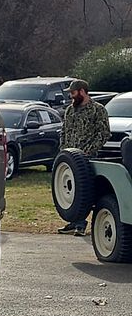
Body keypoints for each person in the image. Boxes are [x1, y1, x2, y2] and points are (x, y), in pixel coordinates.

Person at [57, 79, 110, 236]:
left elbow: (104, 133)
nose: (71, 97)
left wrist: (88, 151)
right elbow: (64, 131)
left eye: (73, 93)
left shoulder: (97, 110)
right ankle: (74, 221)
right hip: (70, 159)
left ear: (82, 91)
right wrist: (63, 151)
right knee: (71, 192)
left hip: (87, 159)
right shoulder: (70, 110)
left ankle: (81, 223)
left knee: (85, 191)